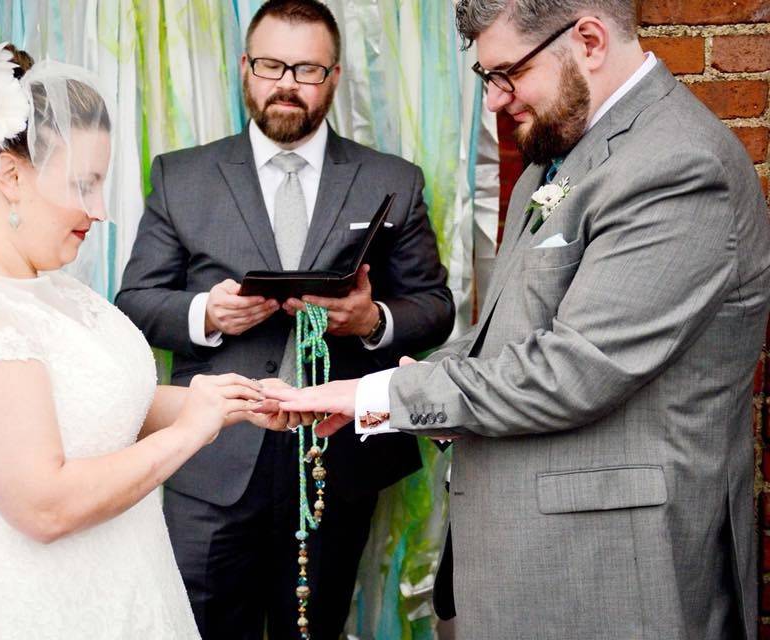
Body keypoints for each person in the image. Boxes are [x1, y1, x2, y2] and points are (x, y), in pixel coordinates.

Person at [265, 1, 770, 638]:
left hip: (613, 574)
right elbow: (517, 333)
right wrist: (399, 392)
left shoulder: (678, 166)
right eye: (487, 78)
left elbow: (571, 370)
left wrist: (382, 395)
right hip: (534, 562)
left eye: (506, 74)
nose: (496, 101)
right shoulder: (554, 155)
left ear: (587, 40)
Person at [0, 34, 279, 639]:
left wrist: (232, 401)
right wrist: (191, 431)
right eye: (83, 184)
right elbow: (44, 505)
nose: (100, 210)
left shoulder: (45, 283)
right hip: (2, 608)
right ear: (11, 175)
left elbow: (97, 406)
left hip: (107, 592)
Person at [115, 1, 454, 637]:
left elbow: (434, 308)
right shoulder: (181, 175)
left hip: (338, 458)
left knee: (315, 630)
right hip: (212, 457)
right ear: (245, 68)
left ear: (334, 76)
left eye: (307, 69)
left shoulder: (393, 181)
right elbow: (134, 301)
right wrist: (205, 313)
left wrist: (369, 319)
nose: (287, 84)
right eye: (272, 65)